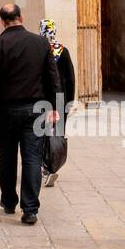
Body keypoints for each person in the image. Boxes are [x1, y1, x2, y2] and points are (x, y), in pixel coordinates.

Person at [0, 4, 59, 224]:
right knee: (32, 158)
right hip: (35, 110)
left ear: (3, 21)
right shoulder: (41, 43)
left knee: (7, 157)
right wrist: (56, 106)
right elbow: (52, 77)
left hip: (6, 111)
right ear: (21, 17)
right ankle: (30, 209)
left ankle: (9, 201)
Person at [39, 17, 76, 186]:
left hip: (41, 99)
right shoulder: (63, 50)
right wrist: (70, 101)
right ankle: (51, 166)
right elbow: (70, 78)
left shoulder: (38, 49)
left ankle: (44, 166)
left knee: (41, 134)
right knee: (57, 136)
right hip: (61, 100)